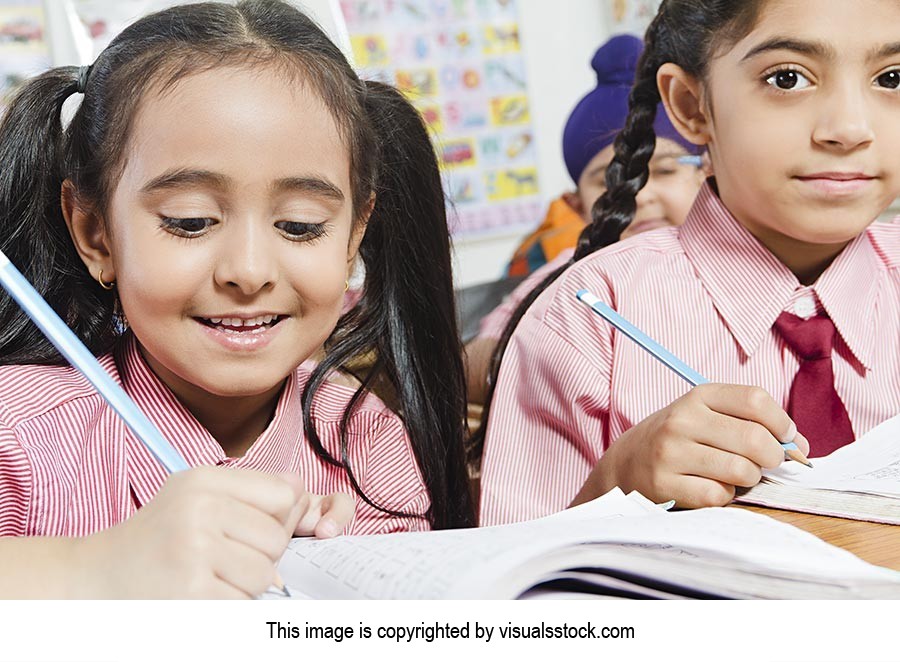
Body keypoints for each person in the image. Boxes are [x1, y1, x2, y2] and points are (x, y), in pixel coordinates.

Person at [0, 0, 473, 597]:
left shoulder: (369, 446)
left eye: (300, 226)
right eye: (190, 221)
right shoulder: (18, 431)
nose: (248, 273)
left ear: (354, 237)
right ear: (97, 235)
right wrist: (93, 571)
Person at [479, 0, 900, 526]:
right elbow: (509, 582)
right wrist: (616, 482)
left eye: (892, 77)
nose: (851, 128)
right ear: (692, 106)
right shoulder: (588, 316)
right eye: (788, 78)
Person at [465, 35, 706, 406]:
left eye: (664, 170)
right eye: (611, 180)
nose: (640, 195)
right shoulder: (566, 276)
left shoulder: (741, 259)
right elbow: (474, 366)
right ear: (577, 205)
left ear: (704, 173)